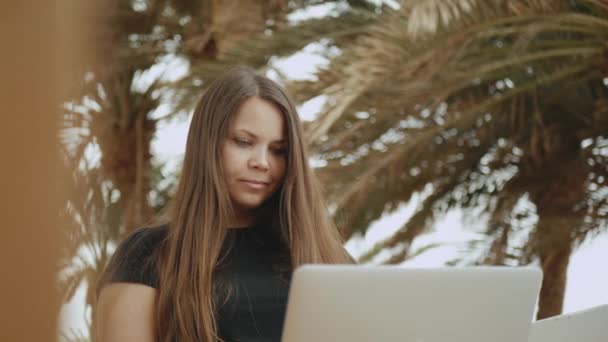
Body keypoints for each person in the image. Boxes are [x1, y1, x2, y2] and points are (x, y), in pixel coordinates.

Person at [95, 66, 354, 342]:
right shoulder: (147, 255)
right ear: (207, 144)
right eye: (243, 142)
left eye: (278, 150)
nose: (262, 162)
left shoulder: (328, 257)